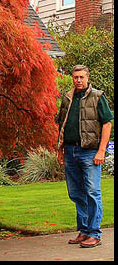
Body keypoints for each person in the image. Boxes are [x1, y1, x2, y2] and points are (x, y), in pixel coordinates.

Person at [55, 65, 113, 248]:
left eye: (81, 77)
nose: (78, 80)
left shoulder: (97, 96)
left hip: (89, 152)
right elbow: (61, 125)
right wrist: (60, 149)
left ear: (87, 78)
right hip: (71, 151)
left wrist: (101, 151)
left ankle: (95, 233)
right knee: (76, 193)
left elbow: (107, 124)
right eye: (75, 77)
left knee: (92, 192)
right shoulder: (67, 97)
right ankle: (84, 230)